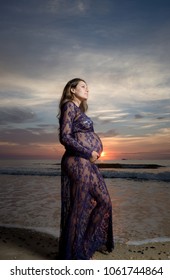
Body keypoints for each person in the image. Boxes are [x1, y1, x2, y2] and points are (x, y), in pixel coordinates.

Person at [58, 78, 114, 260]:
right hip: (76, 161)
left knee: (104, 202)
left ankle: (84, 245)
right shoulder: (69, 106)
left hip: (86, 161)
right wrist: (88, 151)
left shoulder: (79, 111)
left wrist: (91, 152)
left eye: (88, 87)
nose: (87, 89)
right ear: (72, 90)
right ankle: (74, 254)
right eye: (83, 86)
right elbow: (65, 137)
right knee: (79, 207)